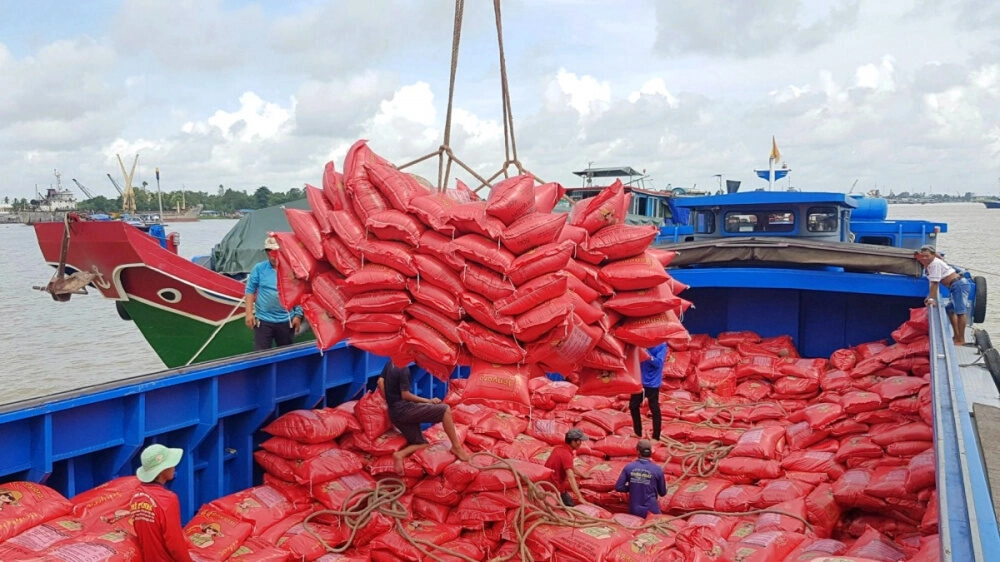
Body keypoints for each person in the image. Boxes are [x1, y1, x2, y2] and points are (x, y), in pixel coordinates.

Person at [379, 361, 470, 474]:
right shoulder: (403, 369)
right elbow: (405, 395)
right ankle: (457, 447)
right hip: (405, 412)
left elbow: (380, 381)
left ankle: (399, 454)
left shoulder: (391, 361)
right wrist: (428, 401)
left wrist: (390, 400)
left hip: (394, 414)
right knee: (445, 410)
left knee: (422, 443)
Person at [130, 444, 194, 562]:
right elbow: (174, 543)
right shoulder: (168, 499)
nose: (174, 467)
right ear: (162, 470)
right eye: (171, 464)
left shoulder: (136, 496)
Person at [245, 236, 303, 350]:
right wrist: (249, 313)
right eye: (270, 251)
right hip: (263, 321)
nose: (273, 255)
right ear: (266, 253)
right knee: (261, 356)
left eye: (276, 251)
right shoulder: (259, 268)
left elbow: (299, 292)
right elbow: (250, 290)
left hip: (286, 320)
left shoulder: (293, 269)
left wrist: (298, 315)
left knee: (286, 355)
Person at [915, 245, 972, 345]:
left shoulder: (934, 264)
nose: (924, 258)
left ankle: (961, 339)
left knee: (960, 312)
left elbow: (935, 283)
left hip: (958, 285)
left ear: (933, 255)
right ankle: (956, 335)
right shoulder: (931, 261)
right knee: (950, 309)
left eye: (927, 256)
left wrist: (931, 298)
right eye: (922, 256)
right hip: (954, 286)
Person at [615, 439, 667, 517]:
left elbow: (618, 487)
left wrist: (634, 486)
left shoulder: (629, 467)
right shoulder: (657, 469)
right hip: (652, 511)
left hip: (634, 510)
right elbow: (662, 493)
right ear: (650, 452)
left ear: (638, 451)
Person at [630, 342, 667, 441]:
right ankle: (638, 432)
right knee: (633, 406)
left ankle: (656, 436)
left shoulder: (661, 345)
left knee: (654, 409)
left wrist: (647, 355)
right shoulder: (640, 343)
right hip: (640, 381)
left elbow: (659, 363)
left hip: (652, 383)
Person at [545, 428, 589, 507]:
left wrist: (582, 475)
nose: (581, 443)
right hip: (553, 488)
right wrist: (580, 497)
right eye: (579, 440)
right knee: (570, 507)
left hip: (548, 484)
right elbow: (571, 477)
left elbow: (570, 467)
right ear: (573, 441)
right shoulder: (566, 455)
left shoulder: (559, 448)